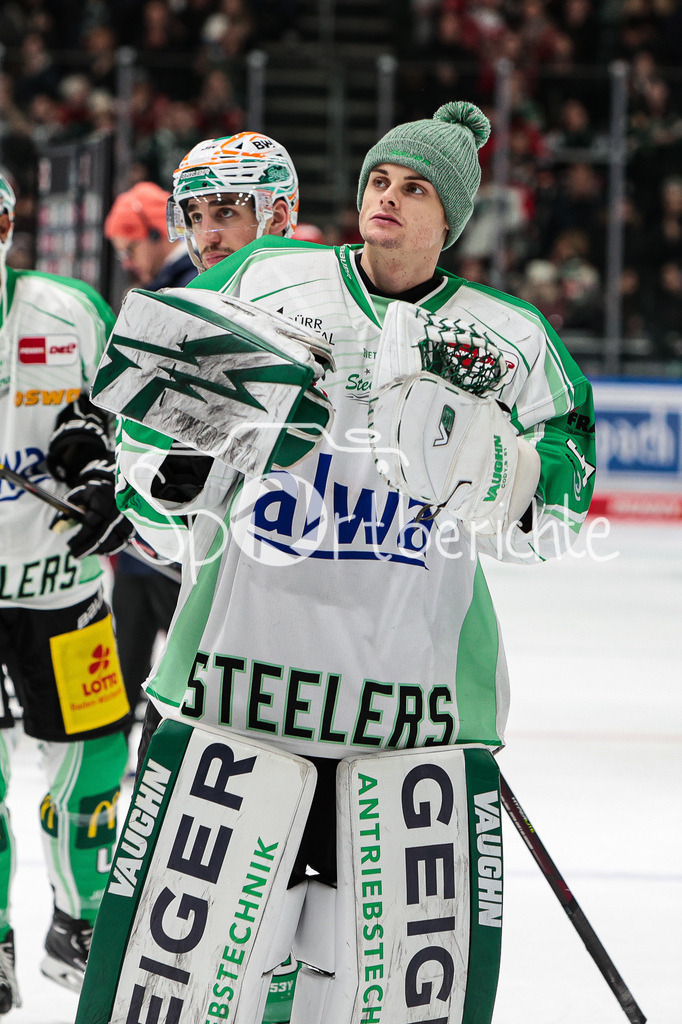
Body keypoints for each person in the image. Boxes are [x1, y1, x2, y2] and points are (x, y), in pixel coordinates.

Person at [78, 104, 596, 1024]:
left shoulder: (509, 337)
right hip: (237, 693)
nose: (388, 200)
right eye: (377, 183)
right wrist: (184, 462)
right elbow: (150, 460)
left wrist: (502, 469)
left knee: (370, 990)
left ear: (455, 217)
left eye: (415, 188)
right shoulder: (266, 279)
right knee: (181, 985)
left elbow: (558, 508)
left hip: (410, 715)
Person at [0, 173, 133, 1010]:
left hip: (61, 589)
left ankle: (78, 923)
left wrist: (109, 486)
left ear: (8, 223)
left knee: (97, 766)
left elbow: (126, 418)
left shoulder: (70, 308)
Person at [103, 181, 197, 722]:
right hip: (150, 522)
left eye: (128, 247)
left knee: (175, 675)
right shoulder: (165, 288)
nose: (125, 261)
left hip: (173, 520)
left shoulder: (183, 291)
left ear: (159, 233)